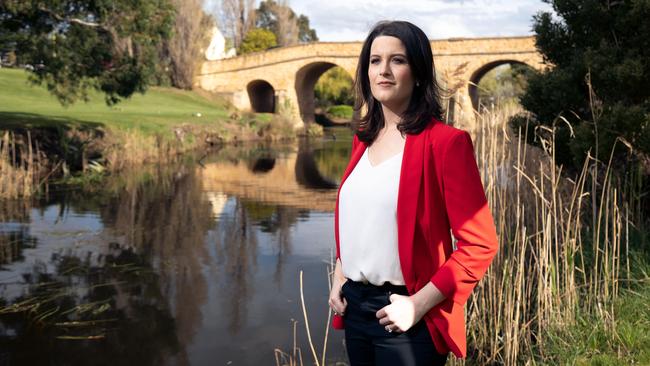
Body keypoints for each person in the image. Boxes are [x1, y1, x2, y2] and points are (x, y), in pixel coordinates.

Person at [328, 20, 499, 366]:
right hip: (355, 312)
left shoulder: (446, 144)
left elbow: (480, 244)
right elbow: (359, 220)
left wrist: (418, 304)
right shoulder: (363, 141)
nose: (384, 71)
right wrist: (340, 275)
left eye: (398, 60)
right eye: (375, 61)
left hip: (408, 317)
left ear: (418, 73)